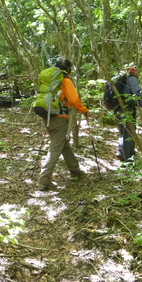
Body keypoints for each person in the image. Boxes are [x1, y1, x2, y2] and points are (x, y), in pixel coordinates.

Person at [37, 58, 89, 190]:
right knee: (55, 148)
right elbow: (74, 99)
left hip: (49, 117)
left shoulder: (52, 82)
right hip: (59, 119)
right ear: (69, 70)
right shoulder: (65, 81)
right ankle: (43, 180)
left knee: (63, 145)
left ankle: (75, 171)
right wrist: (84, 110)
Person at [114, 67, 142, 163]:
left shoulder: (117, 80)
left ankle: (120, 152)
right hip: (127, 110)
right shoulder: (132, 79)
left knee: (123, 132)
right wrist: (141, 103)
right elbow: (137, 94)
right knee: (129, 134)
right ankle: (129, 160)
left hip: (116, 109)